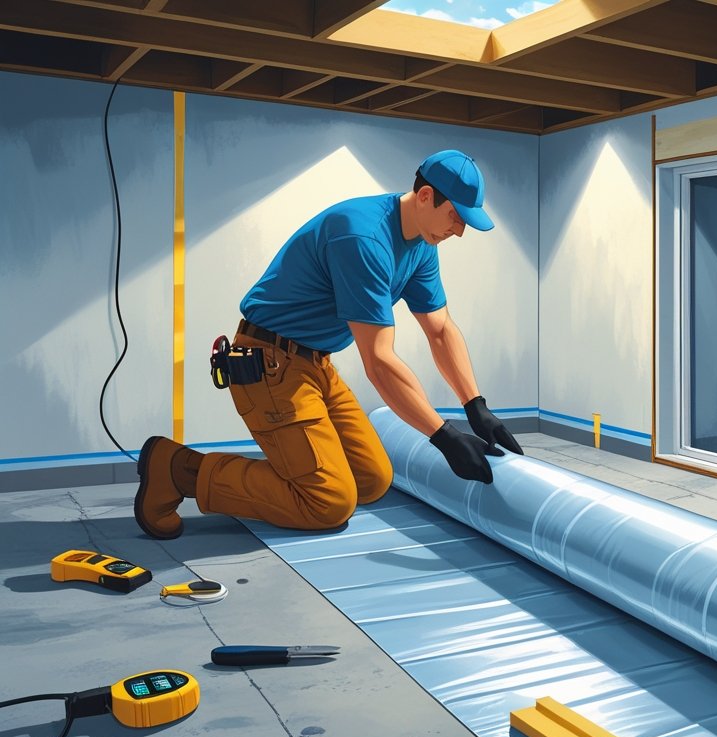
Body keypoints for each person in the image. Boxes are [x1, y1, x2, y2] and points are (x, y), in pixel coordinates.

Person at [134, 149, 522, 540]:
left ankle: (298, 469)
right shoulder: (364, 237)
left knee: (372, 479)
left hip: (314, 364)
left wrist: (475, 406)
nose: (459, 231)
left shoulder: (422, 243)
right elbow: (379, 361)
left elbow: (439, 330)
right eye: (456, 216)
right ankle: (179, 469)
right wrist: (444, 437)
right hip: (268, 364)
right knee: (329, 503)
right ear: (425, 197)